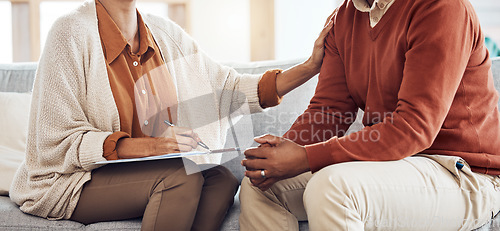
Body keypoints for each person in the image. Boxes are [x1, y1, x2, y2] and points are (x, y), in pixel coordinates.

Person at [9, 0, 333, 230]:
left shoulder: (164, 34)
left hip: (142, 171)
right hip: (71, 179)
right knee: (178, 177)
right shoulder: (69, 34)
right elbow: (55, 140)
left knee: (220, 178)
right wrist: (153, 147)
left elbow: (228, 90)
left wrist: (309, 67)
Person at [240, 0, 500, 230]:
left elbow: (413, 127)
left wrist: (305, 157)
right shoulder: (344, 17)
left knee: (331, 188)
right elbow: (329, 111)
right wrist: (277, 155)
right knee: (259, 186)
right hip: (390, 163)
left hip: (463, 173)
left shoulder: (440, 7)